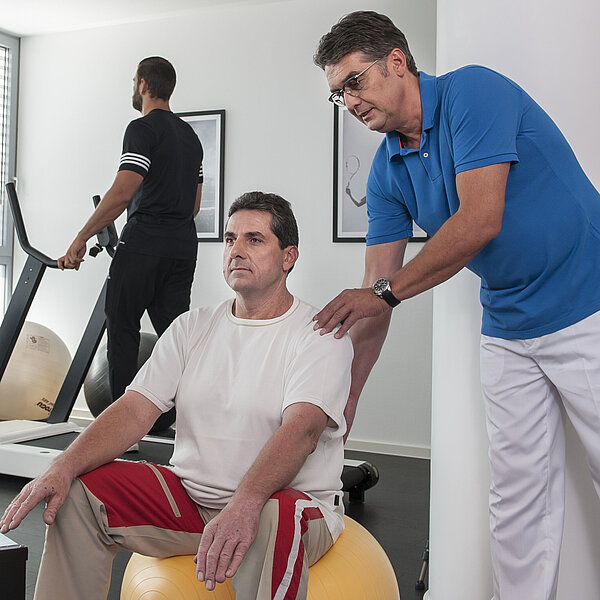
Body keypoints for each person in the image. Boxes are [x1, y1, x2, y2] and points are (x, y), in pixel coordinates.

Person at [313, 10, 600, 600]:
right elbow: (375, 293)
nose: (349, 100)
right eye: (337, 93)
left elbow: (479, 219)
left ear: (396, 61)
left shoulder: (473, 91)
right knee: (517, 495)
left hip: (588, 304)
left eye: (353, 82)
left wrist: (381, 294)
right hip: (509, 324)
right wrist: (350, 394)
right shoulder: (387, 170)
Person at [1, 191, 353, 600]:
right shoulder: (192, 327)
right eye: (229, 239)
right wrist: (62, 466)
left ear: (288, 256)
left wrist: (246, 503)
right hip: (193, 500)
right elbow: (135, 409)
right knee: (77, 492)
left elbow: (303, 430)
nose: (236, 250)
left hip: (284, 507)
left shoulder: (319, 333)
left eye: (254, 240)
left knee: (275, 515)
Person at [58, 57, 204, 424]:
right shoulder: (191, 136)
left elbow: (123, 192)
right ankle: (194, 424)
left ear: (142, 84)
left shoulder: (141, 128)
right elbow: (195, 204)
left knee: (122, 329)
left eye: (133, 81)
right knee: (175, 338)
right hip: (182, 245)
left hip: (144, 241)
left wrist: (80, 237)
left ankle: (124, 433)